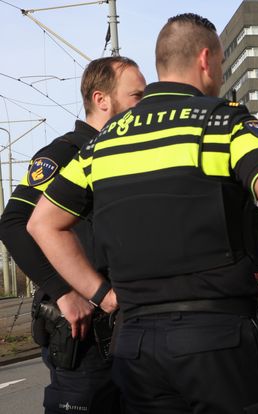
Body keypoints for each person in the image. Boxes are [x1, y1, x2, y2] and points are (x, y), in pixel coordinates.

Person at [28, 13, 258, 414]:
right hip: (218, 339)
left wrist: (102, 295)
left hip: (135, 346)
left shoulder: (104, 143)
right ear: (206, 60)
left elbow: (42, 223)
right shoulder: (223, 122)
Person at [0, 56, 146, 413]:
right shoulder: (64, 154)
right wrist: (64, 292)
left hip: (128, 326)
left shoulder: (127, 154)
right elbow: (13, 223)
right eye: (136, 97)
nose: (143, 107)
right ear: (101, 99)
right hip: (86, 335)